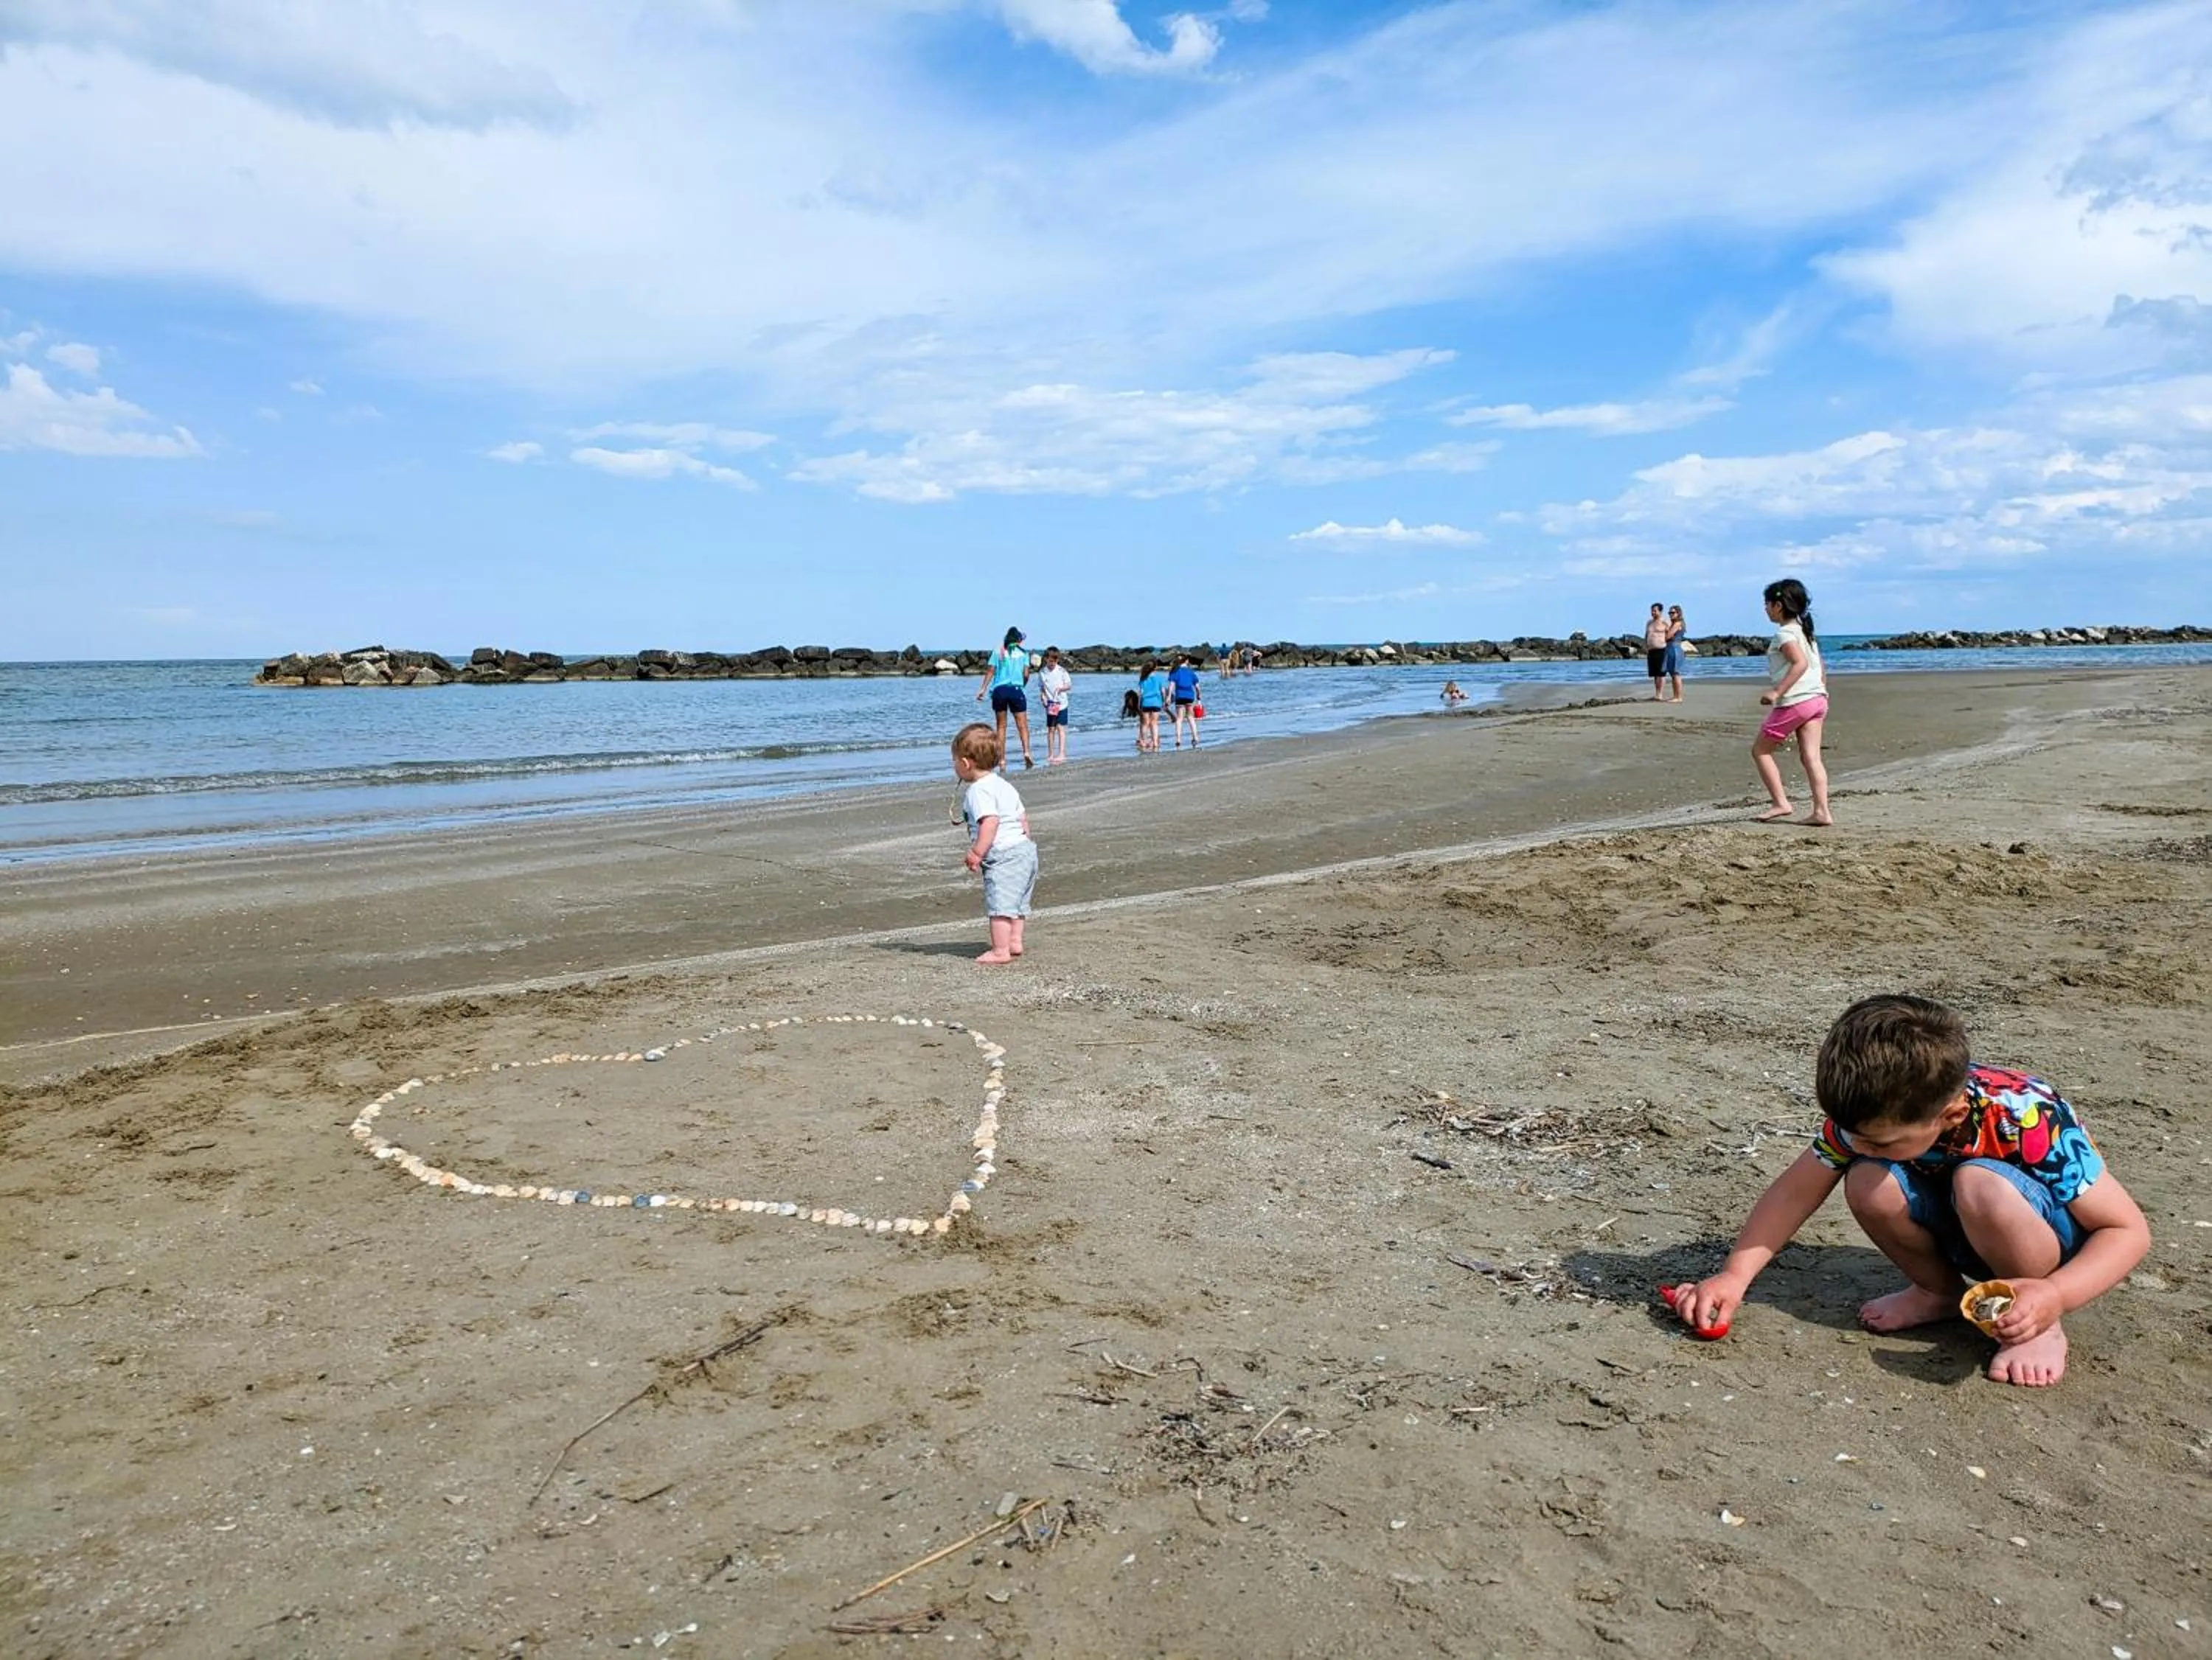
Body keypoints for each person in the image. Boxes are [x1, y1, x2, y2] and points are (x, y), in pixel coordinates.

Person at [1665, 994, 2149, 1388]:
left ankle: (2037, 1326)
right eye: (1849, 1132)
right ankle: (1936, 1292)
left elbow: (2127, 1231)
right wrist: (1734, 1276)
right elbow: (1793, 1193)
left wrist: (2056, 1295)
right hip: (1964, 1226)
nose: (1857, 1143)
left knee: (1980, 1183)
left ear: (1951, 1116)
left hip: (2038, 1243)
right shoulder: (1870, 1118)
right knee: (1866, 1178)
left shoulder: (2028, 1119)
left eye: (1879, 1139)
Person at [951, 723, 1037, 965]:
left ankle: (1000, 951)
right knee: (1018, 901)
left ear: (966, 763)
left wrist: (977, 852)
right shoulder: (1003, 784)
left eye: (955, 761)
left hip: (1003, 854)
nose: (955, 766)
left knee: (999, 902)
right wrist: (1025, 842)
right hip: (1025, 850)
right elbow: (1022, 818)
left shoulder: (978, 791)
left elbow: (991, 822)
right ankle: (1015, 941)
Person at [1752, 578, 1830, 825]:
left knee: (1761, 750)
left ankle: (1781, 803)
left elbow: (1800, 663)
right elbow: (1820, 666)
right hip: (1817, 700)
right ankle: (1821, 812)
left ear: (1778, 606)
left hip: (1796, 701)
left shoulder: (1785, 634)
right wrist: (1820, 691)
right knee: (1811, 758)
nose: (1765, 609)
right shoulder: (1806, 633)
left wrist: (1777, 692)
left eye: (1767, 604)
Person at [974, 627, 1036, 770]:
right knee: (1022, 726)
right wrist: (1022, 686)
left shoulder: (998, 651)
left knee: (1001, 727)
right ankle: (1027, 752)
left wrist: (983, 689)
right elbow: (1026, 674)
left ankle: (1002, 760)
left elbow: (991, 671)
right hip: (1016, 689)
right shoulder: (1023, 653)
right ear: (1019, 640)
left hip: (999, 691)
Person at [1036, 646, 1074, 765]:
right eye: (1050, 661)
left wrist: (1061, 688)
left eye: (1055, 661)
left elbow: (1069, 685)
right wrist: (1043, 696)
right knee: (1051, 729)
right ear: (1046, 659)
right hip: (1051, 704)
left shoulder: (1062, 671)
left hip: (1061, 703)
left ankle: (1062, 753)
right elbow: (1041, 687)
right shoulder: (1042, 672)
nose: (1052, 663)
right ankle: (1051, 754)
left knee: (1061, 728)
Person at [1166, 654, 1203, 748]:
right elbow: (1197, 687)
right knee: (1191, 717)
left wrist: (1169, 697)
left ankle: (1178, 739)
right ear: (1186, 661)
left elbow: (1171, 686)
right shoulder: (1191, 672)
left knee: (1179, 719)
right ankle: (1195, 737)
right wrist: (1199, 695)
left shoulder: (1175, 672)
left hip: (1180, 697)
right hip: (1190, 697)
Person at [1135, 660, 1168, 753]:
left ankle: (1144, 742)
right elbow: (1163, 691)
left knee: (1145, 724)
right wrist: (1165, 700)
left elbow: (1140, 693)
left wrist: (1139, 704)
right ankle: (1155, 743)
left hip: (1146, 703)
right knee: (1154, 723)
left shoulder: (1143, 678)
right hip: (1157, 703)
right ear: (1155, 668)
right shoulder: (1159, 678)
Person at [1643, 602, 1670, 700]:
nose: (1653, 613)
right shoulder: (1649, 623)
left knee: (1661, 673)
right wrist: (1646, 646)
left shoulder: (1665, 622)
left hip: (1662, 649)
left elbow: (1670, 635)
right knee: (1654, 674)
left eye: (1655, 611)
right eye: (1652, 611)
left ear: (1660, 611)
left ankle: (1660, 694)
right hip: (1651, 650)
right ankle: (1657, 693)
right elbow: (1646, 635)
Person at [1662, 604, 1687, 702]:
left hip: (1675, 648)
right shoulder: (1674, 624)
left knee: (1676, 673)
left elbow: (1668, 636)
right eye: (1669, 613)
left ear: (1678, 613)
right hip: (1670, 647)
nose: (1670, 615)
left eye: (1673, 613)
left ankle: (1678, 697)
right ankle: (1675, 696)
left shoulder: (1678, 624)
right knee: (1672, 673)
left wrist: (1665, 629)